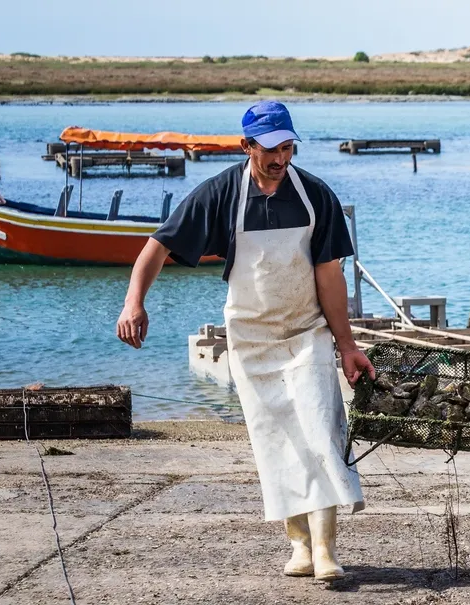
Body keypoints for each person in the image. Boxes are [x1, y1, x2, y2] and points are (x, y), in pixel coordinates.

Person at [116, 101, 373, 582]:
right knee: (276, 441)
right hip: (252, 339)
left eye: (289, 147)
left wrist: (347, 344)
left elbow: (329, 275)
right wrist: (134, 303)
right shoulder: (218, 194)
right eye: (272, 149)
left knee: (321, 429)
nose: (281, 158)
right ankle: (298, 545)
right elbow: (159, 246)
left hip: (307, 332)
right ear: (247, 146)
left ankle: (326, 548)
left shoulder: (316, 195)